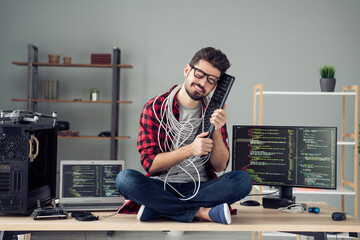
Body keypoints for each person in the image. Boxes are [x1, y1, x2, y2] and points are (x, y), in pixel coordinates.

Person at [115, 47, 252, 225]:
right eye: (200, 74)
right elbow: (150, 165)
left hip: (202, 187)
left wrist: (216, 129)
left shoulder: (214, 112)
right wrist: (190, 150)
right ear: (187, 70)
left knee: (243, 180)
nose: (203, 83)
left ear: (216, 86)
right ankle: (201, 212)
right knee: (124, 179)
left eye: (211, 80)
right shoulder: (155, 107)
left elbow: (219, 166)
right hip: (162, 185)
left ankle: (161, 208)